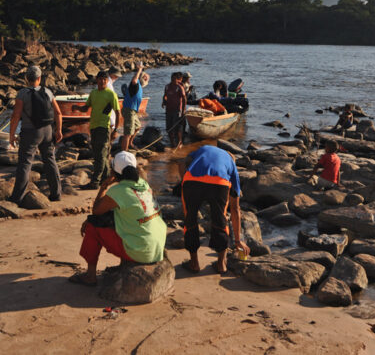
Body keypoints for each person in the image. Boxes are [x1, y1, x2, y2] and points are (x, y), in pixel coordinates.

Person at [70, 151, 166, 286]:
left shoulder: (118, 191)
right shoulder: (144, 185)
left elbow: (96, 211)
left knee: (92, 225)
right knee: (123, 219)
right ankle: (123, 264)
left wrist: (104, 187)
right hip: (156, 248)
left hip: (140, 252)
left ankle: (90, 275)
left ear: (114, 173)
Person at [178, 144, 250, 274]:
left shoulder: (203, 148)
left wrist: (183, 181)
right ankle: (221, 264)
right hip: (219, 183)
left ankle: (194, 263)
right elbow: (235, 208)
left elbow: (182, 162)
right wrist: (238, 241)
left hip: (192, 181)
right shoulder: (231, 164)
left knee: (190, 218)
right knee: (220, 218)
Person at [9, 65, 63, 202]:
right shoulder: (48, 92)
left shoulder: (22, 93)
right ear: (39, 78)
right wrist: (59, 130)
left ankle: (17, 197)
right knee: (50, 161)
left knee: (25, 164)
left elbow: (16, 115)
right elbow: (58, 113)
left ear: (27, 78)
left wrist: (11, 135)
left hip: (30, 132)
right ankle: (56, 193)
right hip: (48, 131)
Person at [84, 70, 120, 189]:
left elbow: (118, 112)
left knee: (100, 155)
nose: (102, 81)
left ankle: (95, 182)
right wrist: (77, 108)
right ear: (96, 79)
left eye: (105, 79)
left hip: (105, 128)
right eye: (100, 79)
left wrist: (115, 130)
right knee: (100, 154)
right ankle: (106, 178)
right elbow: (86, 107)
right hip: (93, 127)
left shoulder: (111, 94)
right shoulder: (93, 93)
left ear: (107, 80)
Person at [121, 61, 149, 151]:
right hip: (129, 110)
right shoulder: (135, 85)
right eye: (145, 77)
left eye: (147, 78)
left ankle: (130, 143)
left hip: (133, 111)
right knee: (128, 133)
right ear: (141, 77)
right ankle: (124, 152)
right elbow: (134, 79)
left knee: (138, 127)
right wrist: (140, 70)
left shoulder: (139, 86)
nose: (147, 79)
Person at [162, 71, 186, 149]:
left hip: (177, 110)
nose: (173, 80)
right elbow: (165, 95)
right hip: (169, 109)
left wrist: (183, 110)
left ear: (178, 79)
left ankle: (179, 142)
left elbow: (184, 98)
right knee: (168, 127)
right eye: (172, 79)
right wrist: (163, 102)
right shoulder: (167, 86)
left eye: (175, 79)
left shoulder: (179, 87)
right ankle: (172, 143)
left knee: (177, 127)